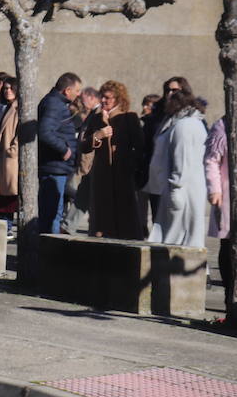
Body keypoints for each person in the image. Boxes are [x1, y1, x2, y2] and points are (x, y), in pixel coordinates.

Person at [146, 86, 208, 249]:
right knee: (180, 237)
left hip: (182, 190)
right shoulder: (185, 123)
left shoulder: (185, 126)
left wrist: (176, 189)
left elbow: (182, 160)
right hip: (182, 188)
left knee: (178, 238)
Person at [81, 80, 144, 239]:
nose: (103, 100)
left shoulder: (128, 118)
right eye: (102, 96)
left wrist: (129, 166)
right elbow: (84, 146)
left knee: (124, 217)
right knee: (101, 216)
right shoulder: (96, 118)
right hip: (101, 176)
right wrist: (98, 135)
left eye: (107, 97)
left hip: (122, 175)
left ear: (118, 99)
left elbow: (140, 146)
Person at [38, 72, 82, 234]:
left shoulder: (54, 102)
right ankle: (49, 253)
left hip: (56, 167)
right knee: (52, 216)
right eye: (77, 90)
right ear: (67, 90)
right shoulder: (54, 104)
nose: (79, 94)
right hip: (54, 168)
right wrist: (64, 149)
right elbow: (45, 132)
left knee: (52, 213)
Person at [205, 118, 233, 313]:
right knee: (228, 246)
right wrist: (214, 190)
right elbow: (211, 160)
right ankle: (229, 301)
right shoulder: (224, 124)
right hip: (229, 194)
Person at [0, 77, 21, 235]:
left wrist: (11, 152)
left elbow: (20, 135)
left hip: (10, 162)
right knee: (2, 197)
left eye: (11, 88)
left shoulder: (19, 109)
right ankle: (4, 228)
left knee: (9, 199)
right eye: (5, 88)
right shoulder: (6, 107)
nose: (7, 91)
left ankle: (7, 229)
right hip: (2, 161)